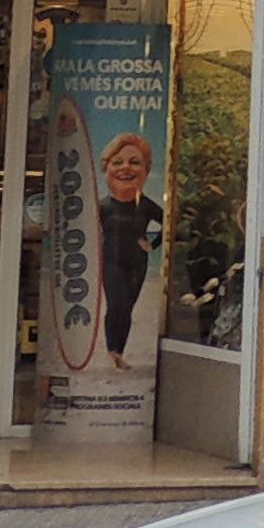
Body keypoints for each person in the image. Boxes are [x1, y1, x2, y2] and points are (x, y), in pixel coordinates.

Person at [97, 131, 162, 371]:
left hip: (137, 262)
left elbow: (172, 224)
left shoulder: (145, 205)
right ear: (106, 168)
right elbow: (84, 232)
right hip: (110, 261)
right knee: (117, 304)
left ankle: (119, 352)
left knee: (128, 309)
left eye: (134, 162)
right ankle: (110, 350)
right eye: (117, 162)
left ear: (146, 169)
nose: (126, 168)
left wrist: (153, 245)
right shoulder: (102, 206)